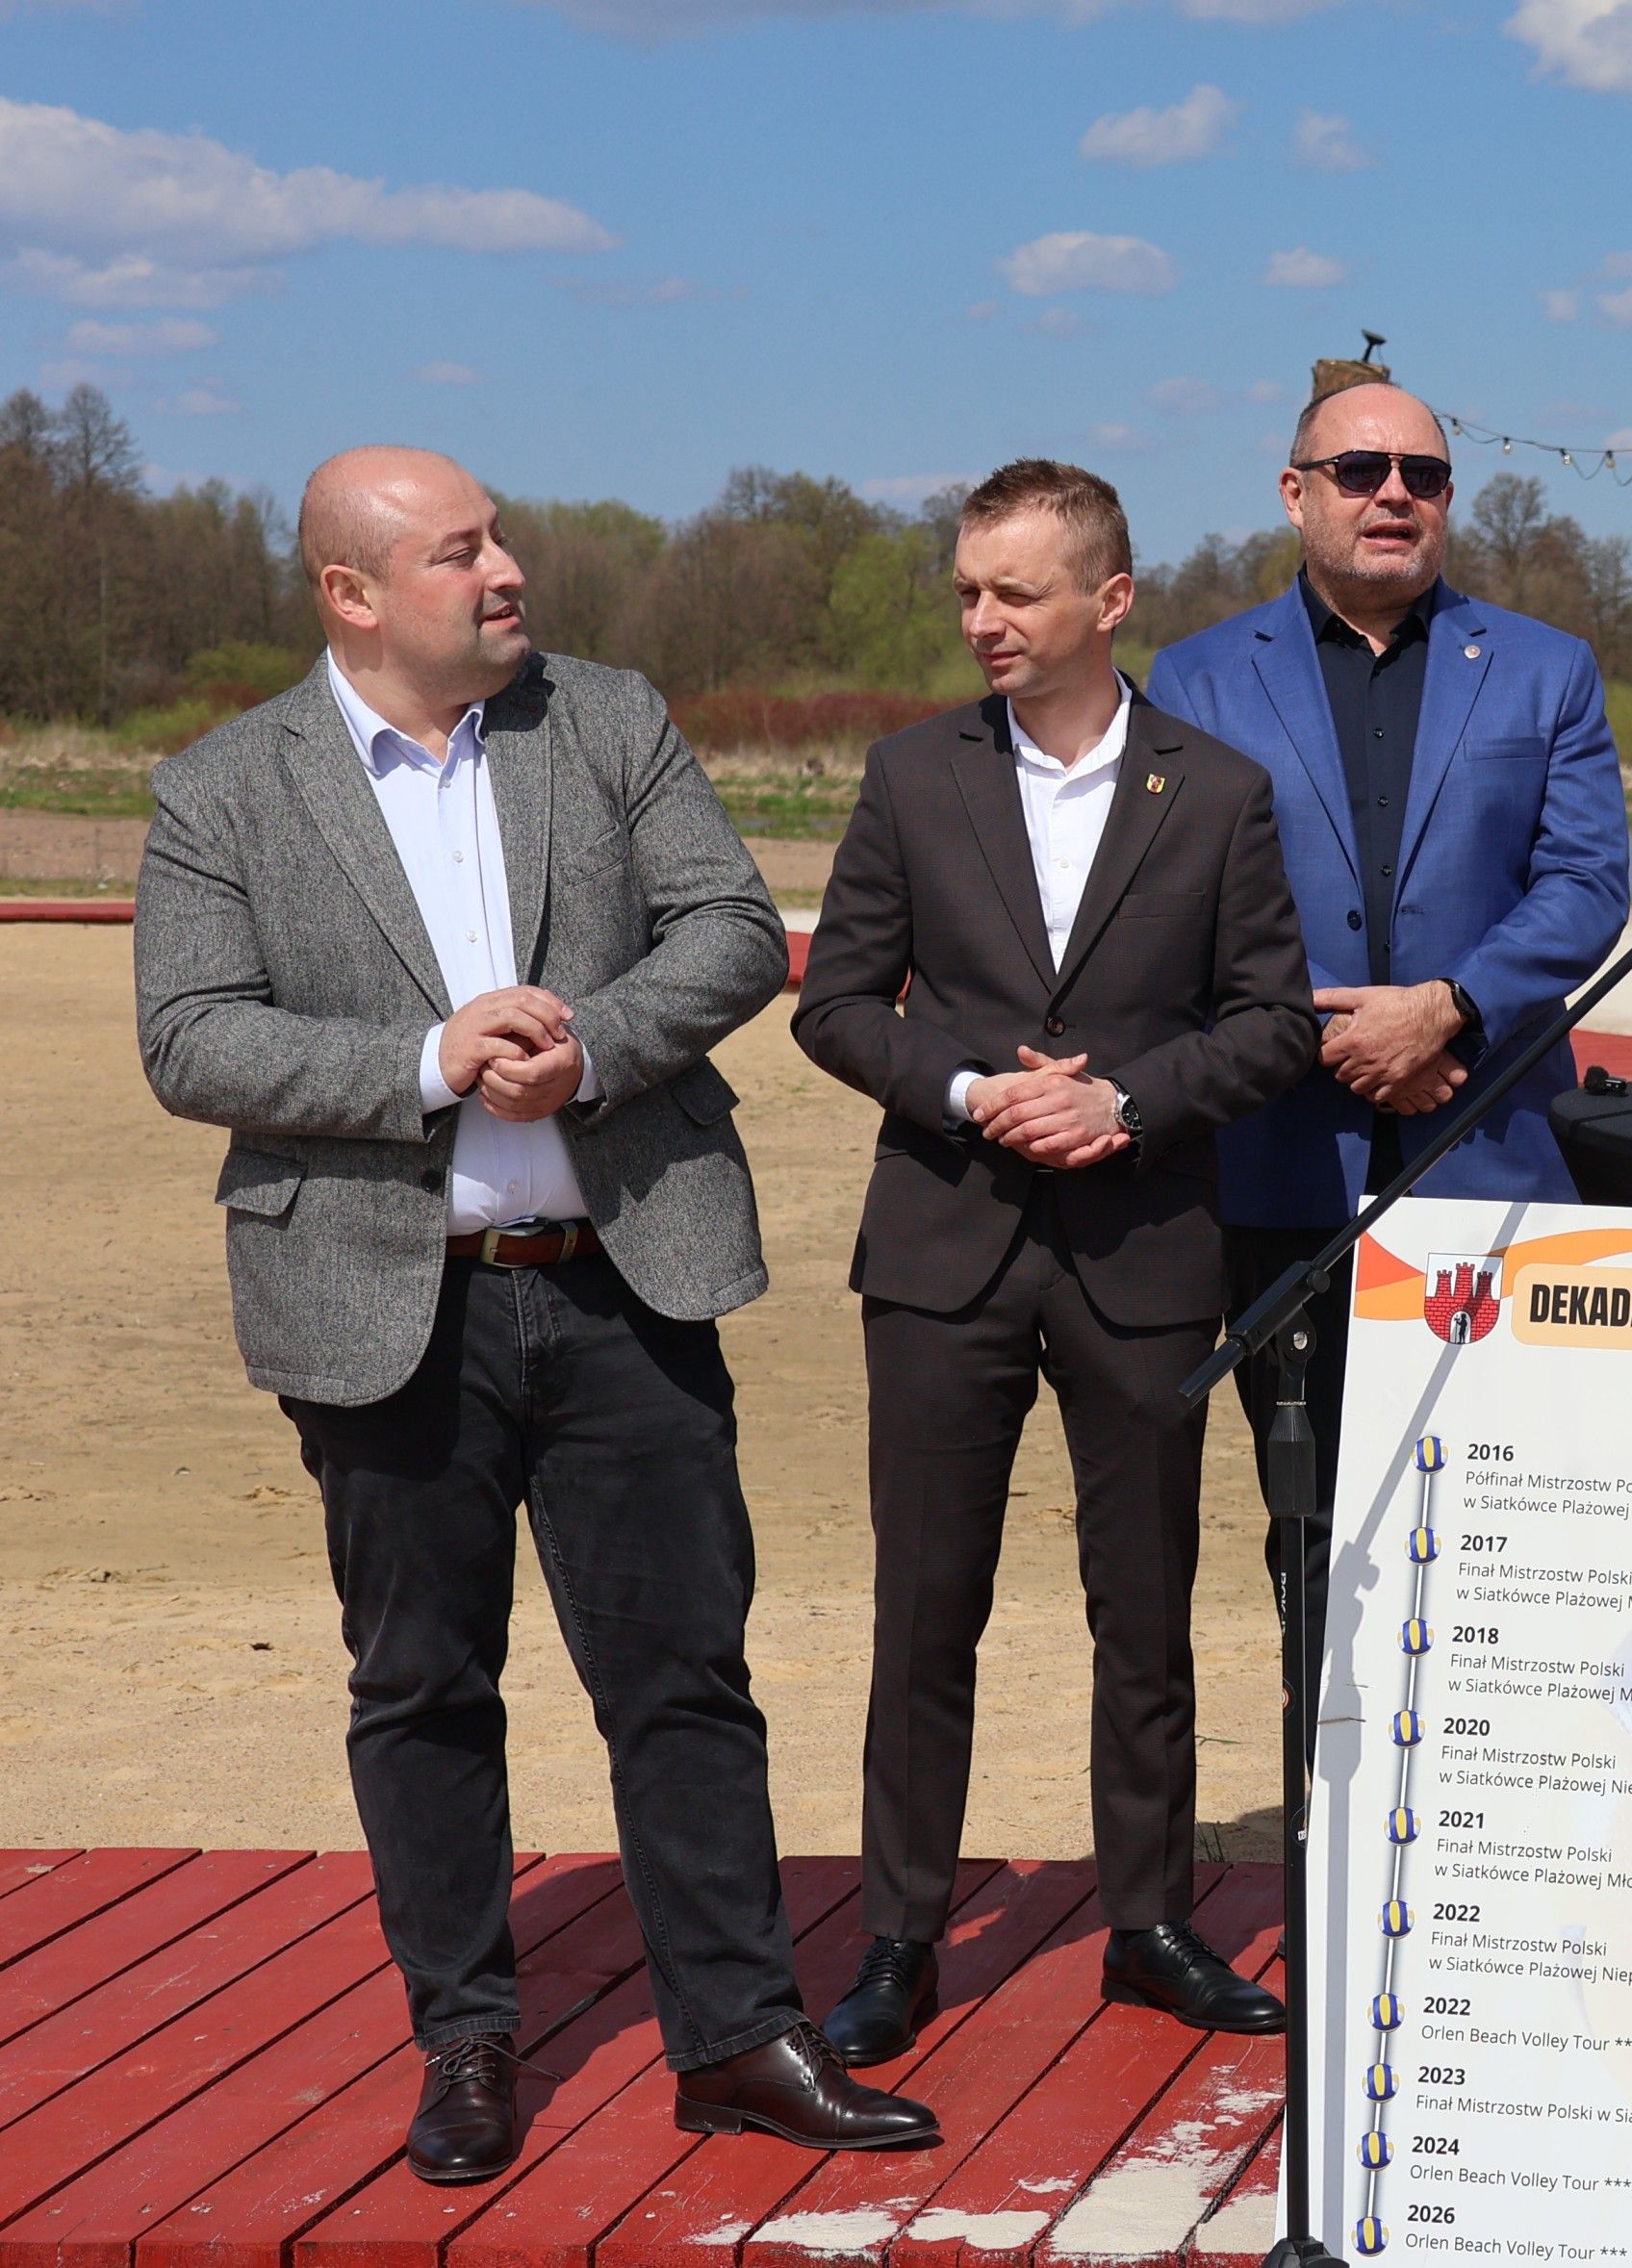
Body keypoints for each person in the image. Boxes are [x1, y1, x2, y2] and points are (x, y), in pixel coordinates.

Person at [135, 447, 935, 2182]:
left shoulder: (610, 717)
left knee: (686, 1678)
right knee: (422, 1685)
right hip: (378, 1307)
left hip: (625, 1285)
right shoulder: (221, 786)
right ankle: (469, 2041)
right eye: (461, 551)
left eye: (499, 538)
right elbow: (189, 1037)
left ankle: (733, 2036)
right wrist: (427, 1062)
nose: (510, 571)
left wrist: (598, 1038)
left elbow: (731, 928)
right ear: (353, 595)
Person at [788, 461, 1321, 2063]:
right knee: (923, 1608)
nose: (982, 619)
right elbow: (833, 1004)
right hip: (942, 1250)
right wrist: (964, 1093)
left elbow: (1276, 1024)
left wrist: (1127, 1102)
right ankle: (898, 1936)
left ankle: (1151, 1924)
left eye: (1014, 591)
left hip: (1147, 1249)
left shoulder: (1216, 792)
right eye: (967, 590)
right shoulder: (907, 774)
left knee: (1143, 1610)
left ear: (1109, 599)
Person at [1146, 378, 1630, 1518]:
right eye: (1361, 471)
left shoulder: (1546, 668)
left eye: (1425, 475)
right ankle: (1308, 1711)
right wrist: (1319, 1028)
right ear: (1296, 493)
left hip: (1488, 1163)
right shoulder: (1197, 679)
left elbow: (1587, 882)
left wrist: (1448, 1006)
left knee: (1492, 1522)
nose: (1395, 495)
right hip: (1279, 1166)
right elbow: (1176, 906)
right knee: (1310, 1526)